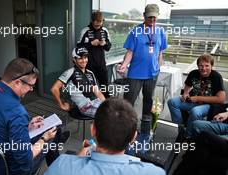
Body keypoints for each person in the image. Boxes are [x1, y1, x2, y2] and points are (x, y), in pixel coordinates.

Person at [0, 58, 69, 175]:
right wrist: (44, 139)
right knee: (51, 134)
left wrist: (26, 127)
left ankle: (57, 140)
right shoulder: (16, 111)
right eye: (31, 86)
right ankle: (57, 160)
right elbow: (25, 160)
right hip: (12, 170)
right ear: (18, 82)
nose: (31, 89)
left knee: (51, 131)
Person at [45, 98, 166, 175]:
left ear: (93, 130)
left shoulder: (62, 164)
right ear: (134, 137)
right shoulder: (155, 172)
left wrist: (77, 159)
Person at [118, 4, 167, 144]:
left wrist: (159, 65)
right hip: (135, 73)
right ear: (144, 16)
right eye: (149, 17)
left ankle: (146, 129)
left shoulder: (160, 31)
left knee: (148, 100)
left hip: (152, 73)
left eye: (154, 17)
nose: (152, 19)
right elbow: (130, 52)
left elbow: (160, 51)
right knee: (129, 101)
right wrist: (124, 65)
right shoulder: (136, 31)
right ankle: (124, 127)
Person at [167, 54, 226, 137]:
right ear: (198, 66)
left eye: (207, 65)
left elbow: (221, 99)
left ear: (211, 66)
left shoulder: (216, 77)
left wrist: (198, 98)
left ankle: (189, 136)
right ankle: (181, 128)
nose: (204, 68)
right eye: (201, 66)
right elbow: (187, 86)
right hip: (193, 101)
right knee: (172, 102)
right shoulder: (193, 73)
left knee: (195, 111)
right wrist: (185, 93)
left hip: (209, 105)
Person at [51, 47, 105, 117]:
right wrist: (61, 104)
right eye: (80, 58)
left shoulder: (90, 73)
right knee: (107, 116)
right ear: (74, 59)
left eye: (85, 57)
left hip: (96, 102)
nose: (84, 60)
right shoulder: (70, 72)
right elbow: (54, 88)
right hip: (84, 106)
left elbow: (97, 92)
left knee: (114, 110)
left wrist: (106, 103)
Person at [77, 11, 112, 97]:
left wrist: (105, 44)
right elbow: (78, 47)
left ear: (102, 22)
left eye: (100, 25)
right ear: (92, 21)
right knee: (89, 88)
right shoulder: (85, 31)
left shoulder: (105, 31)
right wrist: (90, 44)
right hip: (89, 65)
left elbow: (108, 47)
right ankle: (89, 107)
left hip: (101, 64)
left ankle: (106, 106)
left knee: (105, 88)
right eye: (96, 25)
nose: (98, 27)